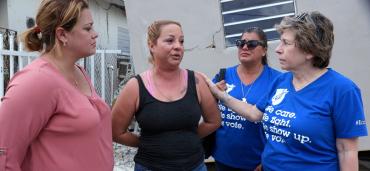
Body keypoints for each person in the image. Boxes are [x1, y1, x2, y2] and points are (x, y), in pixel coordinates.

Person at [202, 11, 368, 171]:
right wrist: (220, 95)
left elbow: (347, 151)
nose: (278, 49)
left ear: (310, 50)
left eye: (286, 43)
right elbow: (254, 113)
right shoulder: (281, 81)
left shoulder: (343, 90)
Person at [0, 0, 113, 170]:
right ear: (62, 35)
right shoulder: (35, 82)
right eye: (88, 28)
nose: (95, 34)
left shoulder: (78, 71)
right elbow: (4, 154)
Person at [111, 20, 221, 171]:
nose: (178, 46)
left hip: (193, 166)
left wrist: (186, 138)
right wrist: (149, 142)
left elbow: (214, 121)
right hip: (150, 166)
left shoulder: (196, 81)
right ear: (152, 45)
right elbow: (116, 132)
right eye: (170, 40)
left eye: (181, 41)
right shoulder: (135, 87)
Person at [211, 27, 281, 171]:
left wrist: (268, 159)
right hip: (223, 160)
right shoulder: (223, 75)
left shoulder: (277, 80)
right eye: (240, 43)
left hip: (258, 163)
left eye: (252, 44)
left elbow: (281, 126)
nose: (244, 47)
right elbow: (209, 109)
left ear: (264, 50)